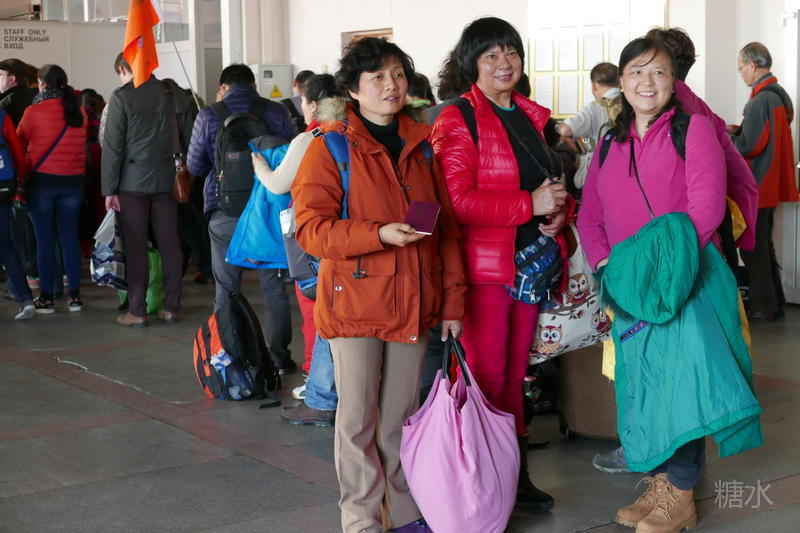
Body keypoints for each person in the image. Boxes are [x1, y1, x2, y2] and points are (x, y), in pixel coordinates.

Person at [577, 37, 761, 533]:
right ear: (622, 81)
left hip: (684, 281)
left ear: (673, 80)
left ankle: (681, 495)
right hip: (628, 287)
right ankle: (660, 485)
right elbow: (591, 212)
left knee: (683, 387)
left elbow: (707, 207)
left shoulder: (692, 128)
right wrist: (607, 265)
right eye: (637, 72)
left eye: (658, 72)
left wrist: (663, 270)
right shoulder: (609, 141)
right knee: (643, 387)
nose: (647, 82)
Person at [292, 37, 465, 533]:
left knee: (399, 418)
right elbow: (311, 230)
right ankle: (362, 519)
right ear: (353, 89)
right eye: (378, 77)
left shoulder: (422, 147)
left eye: (398, 75)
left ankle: (402, 511)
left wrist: (452, 303)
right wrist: (378, 234)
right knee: (357, 421)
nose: (391, 86)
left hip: (412, 300)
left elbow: (445, 231)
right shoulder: (330, 147)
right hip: (355, 303)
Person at [430, 17, 570, 514]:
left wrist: (558, 213)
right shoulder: (457, 118)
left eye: (510, 51)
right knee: (486, 379)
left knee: (514, 377)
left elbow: (549, 183)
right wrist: (529, 206)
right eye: (490, 54)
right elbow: (457, 202)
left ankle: (515, 477)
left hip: (529, 269)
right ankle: (483, 486)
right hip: (484, 272)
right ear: (471, 63)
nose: (503, 62)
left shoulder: (529, 115)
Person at [186, 64, 299, 373]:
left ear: (223, 87)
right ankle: (279, 358)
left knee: (226, 287)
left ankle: (230, 359)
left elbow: (195, 166)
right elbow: (292, 158)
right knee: (274, 288)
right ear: (253, 85)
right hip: (268, 211)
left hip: (225, 210)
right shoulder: (276, 111)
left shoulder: (209, 115)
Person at [250, 73, 343, 426]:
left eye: (303, 101)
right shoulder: (354, 130)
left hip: (318, 236)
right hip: (354, 234)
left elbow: (279, 184)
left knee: (319, 310)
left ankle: (320, 391)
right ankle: (327, 389)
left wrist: (260, 167)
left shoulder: (312, 137)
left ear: (313, 104)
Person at [102, 53, 193, 326]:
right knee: (170, 244)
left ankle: (137, 310)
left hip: (131, 182)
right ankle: (172, 307)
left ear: (123, 68)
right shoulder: (176, 94)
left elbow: (113, 148)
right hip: (168, 180)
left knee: (136, 247)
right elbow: (191, 141)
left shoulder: (122, 97)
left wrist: (109, 189)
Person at [731, 42, 798, 321]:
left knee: (753, 249)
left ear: (752, 65)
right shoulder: (779, 94)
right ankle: (775, 303)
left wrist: (729, 137)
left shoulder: (760, 100)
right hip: (771, 183)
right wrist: (740, 130)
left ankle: (762, 307)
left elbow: (750, 146)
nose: (741, 74)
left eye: (741, 68)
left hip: (757, 184)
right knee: (764, 247)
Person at [16, 65, 87, 313]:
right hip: (73, 184)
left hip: (42, 184)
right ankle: (75, 297)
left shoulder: (33, 111)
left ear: (42, 83)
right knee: (70, 240)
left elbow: (18, 143)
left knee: (44, 240)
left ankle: (46, 298)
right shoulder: (77, 111)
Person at [0, 104, 35, 319]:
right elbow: (16, 150)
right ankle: (26, 299)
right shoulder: (2, 116)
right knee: (5, 244)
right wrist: (21, 177)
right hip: (2, 188)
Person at [555, 62, 621, 140]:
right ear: (620, 82)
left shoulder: (594, 108)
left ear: (594, 85)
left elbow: (565, 130)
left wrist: (557, 126)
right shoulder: (630, 101)